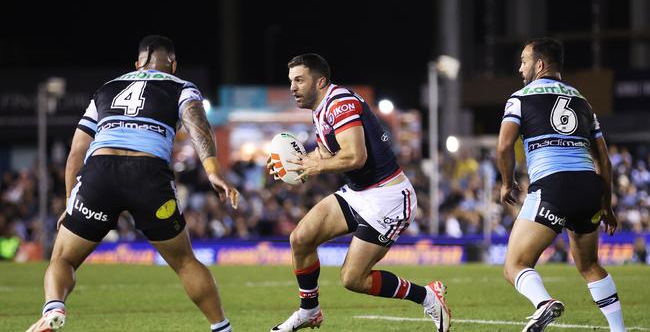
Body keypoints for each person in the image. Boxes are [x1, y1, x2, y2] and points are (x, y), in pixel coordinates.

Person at [26, 35, 239, 332]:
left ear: (137, 64)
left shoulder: (107, 89)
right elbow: (198, 127)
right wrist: (213, 170)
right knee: (185, 262)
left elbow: (77, 150)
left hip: (100, 173)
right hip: (149, 174)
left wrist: (69, 200)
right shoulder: (180, 86)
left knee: (63, 257)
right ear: (173, 65)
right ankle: (221, 327)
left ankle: (54, 308)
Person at [267, 53, 450, 332]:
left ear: (320, 82)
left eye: (299, 80)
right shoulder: (321, 110)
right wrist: (292, 165)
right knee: (301, 239)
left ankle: (427, 296)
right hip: (358, 192)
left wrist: (317, 165)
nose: (292, 87)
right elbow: (326, 155)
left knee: (354, 279)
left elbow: (355, 157)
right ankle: (309, 311)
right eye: (291, 80)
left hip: (388, 198)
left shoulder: (339, 104)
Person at [497, 37, 625, 332]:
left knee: (514, 266)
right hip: (589, 189)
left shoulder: (520, 98)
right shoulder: (582, 101)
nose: (520, 68)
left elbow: (504, 146)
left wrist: (507, 182)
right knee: (589, 265)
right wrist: (606, 204)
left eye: (524, 61)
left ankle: (544, 304)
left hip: (553, 187)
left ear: (539, 64)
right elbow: (604, 161)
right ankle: (620, 330)